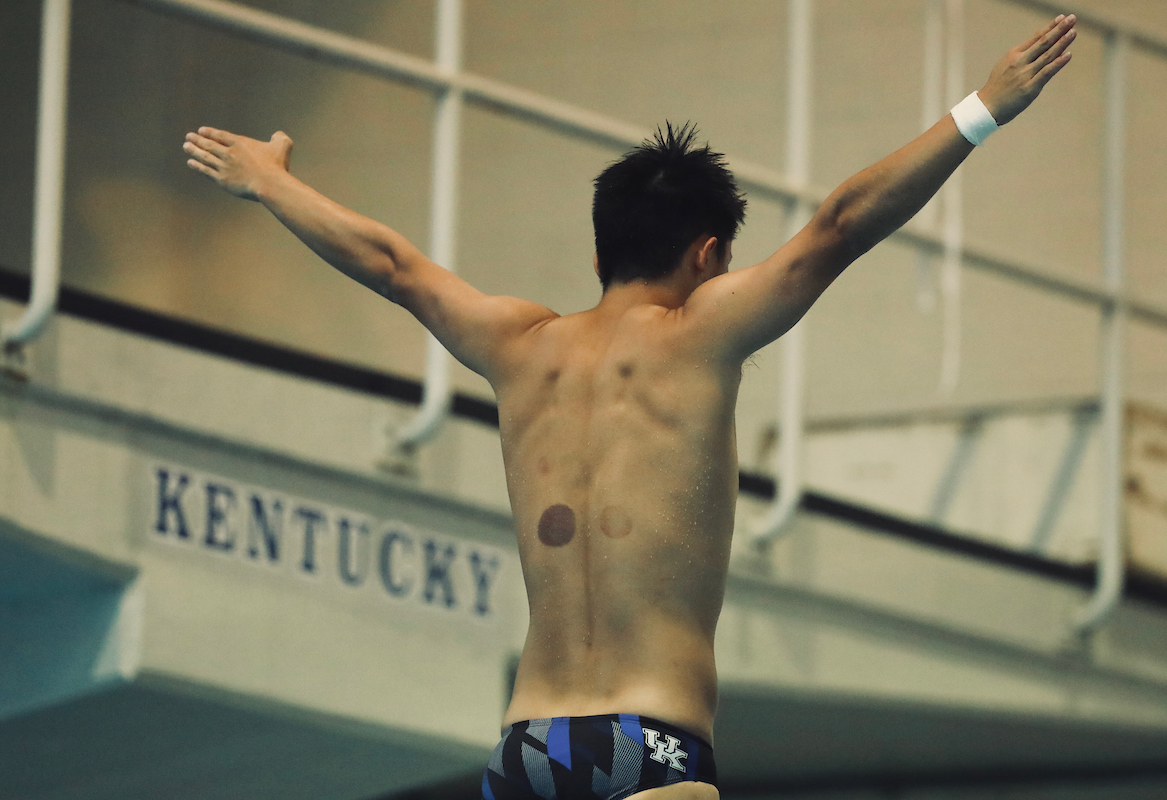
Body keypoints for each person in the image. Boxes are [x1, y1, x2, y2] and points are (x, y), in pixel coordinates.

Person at [182, 13, 1076, 800]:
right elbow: (838, 227)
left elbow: (392, 265)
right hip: (651, 749)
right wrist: (982, 107)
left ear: (602, 247)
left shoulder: (516, 343)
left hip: (524, 747)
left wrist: (269, 181)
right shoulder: (700, 328)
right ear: (708, 252)